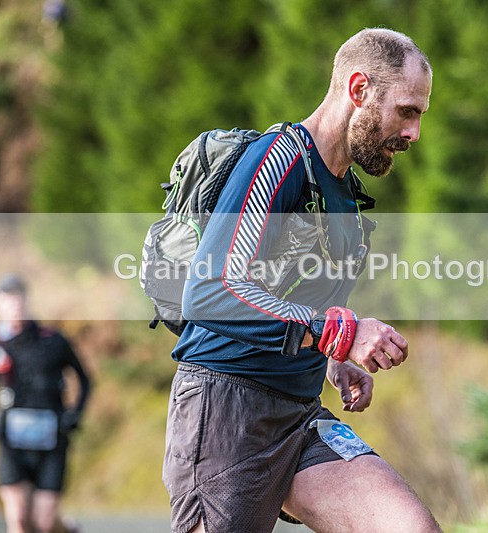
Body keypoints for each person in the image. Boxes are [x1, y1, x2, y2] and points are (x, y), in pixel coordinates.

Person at [163, 28, 440, 532]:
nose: (414, 132)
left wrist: (335, 358)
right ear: (359, 90)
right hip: (226, 412)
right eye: (406, 111)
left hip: (299, 416)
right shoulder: (279, 160)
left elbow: (299, 299)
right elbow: (210, 291)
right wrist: (341, 335)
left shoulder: (345, 191)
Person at [0, 274, 91, 533]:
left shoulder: (53, 341)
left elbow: (85, 379)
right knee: (18, 517)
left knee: (43, 523)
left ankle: (68, 529)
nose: (14, 305)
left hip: (52, 441)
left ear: (26, 301)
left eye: (18, 299)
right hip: (12, 443)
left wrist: (75, 414)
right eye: (8, 300)